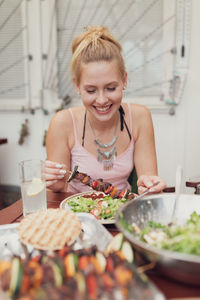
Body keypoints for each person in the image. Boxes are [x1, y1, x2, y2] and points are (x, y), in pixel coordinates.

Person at [45, 26, 166, 195]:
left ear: (124, 80)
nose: (102, 100)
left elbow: (147, 179)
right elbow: (57, 191)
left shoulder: (139, 117)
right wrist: (53, 181)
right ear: (77, 86)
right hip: (77, 214)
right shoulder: (62, 123)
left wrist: (150, 184)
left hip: (122, 212)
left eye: (110, 88)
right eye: (91, 91)